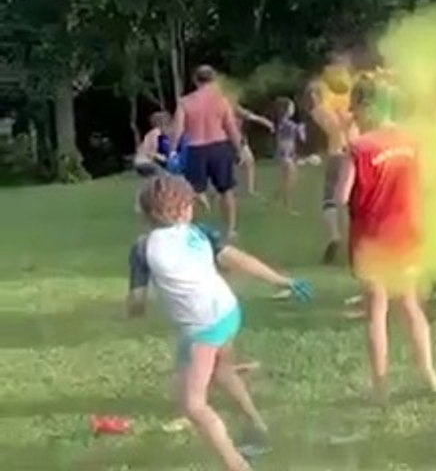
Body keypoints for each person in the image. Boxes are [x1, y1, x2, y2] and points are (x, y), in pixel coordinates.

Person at [127, 174, 311, 471]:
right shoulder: (199, 232)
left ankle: (236, 465)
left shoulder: (142, 249)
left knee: (193, 405)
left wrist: (133, 310)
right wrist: (281, 280)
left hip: (202, 330)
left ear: (147, 213)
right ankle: (257, 426)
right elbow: (238, 259)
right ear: (185, 209)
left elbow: (137, 303)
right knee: (223, 370)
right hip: (227, 313)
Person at [334, 79, 436, 402]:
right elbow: (425, 182)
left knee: (377, 312)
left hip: (372, 239)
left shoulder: (359, 149)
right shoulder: (411, 140)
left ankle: (381, 388)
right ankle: (430, 376)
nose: (352, 114)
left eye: (355, 107)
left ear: (367, 106)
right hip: (406, 235)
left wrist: (348, 150)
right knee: (411, 305)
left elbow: (342, 196)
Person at [172, 66, 245, 238]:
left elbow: (178, 128)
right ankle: (230, 229)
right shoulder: (221, 100)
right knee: (226, 190)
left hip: (196, 148)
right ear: (213, 80)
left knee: (192, 191)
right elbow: (231, 127)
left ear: (195, 80)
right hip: (219, 146)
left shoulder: (185, 102)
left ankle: (187, 227)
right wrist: (240, 149)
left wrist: (172, 150)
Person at [310, 78, 354, 265]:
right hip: (350, 152)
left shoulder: (318, 111)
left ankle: (335, 235)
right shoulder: (340, 107)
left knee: (330, 199)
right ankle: (353, 240)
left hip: (336, 154)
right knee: (348, 197)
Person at [273, 98, 306, 215]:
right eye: (291, 107)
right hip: (286, 155)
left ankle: (273, 202)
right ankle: (288, 207)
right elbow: (302, 137)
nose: (293, 109)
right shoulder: (288, 124)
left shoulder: (282, 123)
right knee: (290, 181)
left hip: (286, 154)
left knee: (286, 180)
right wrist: (301, 128)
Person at [234, 106, 274, 197]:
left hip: (238, 140)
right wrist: (267, 123)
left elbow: (252, 117)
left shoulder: (231, 108)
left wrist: (267, 123)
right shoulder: (232, 108)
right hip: (235, 140)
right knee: (247, 162)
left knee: (248, 162)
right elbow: (253, 117)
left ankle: (249, 189)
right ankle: (248, 189)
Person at [134, 111, 173, 177]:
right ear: (162, 124)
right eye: (168, 125)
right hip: (145, 162)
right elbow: (153, 152)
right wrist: (165, 159)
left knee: (156, 180)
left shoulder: (153, 134)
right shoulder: (156, 133)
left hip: (139, 163)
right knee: (167, 177)